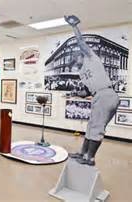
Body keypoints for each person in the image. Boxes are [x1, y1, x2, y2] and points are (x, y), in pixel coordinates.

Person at [65, 15, 119, 166]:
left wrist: (74, 27)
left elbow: (81, 42)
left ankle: (90, 159)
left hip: (106, 94)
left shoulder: (91, 58)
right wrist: (74, 94)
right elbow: (87, 92)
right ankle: (83, 154)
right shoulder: (82, 73)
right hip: (99, 96)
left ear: (81, 56)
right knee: (91, 127)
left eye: (76, 58)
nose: (75, 61)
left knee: (96, 128)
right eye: (73, 61)